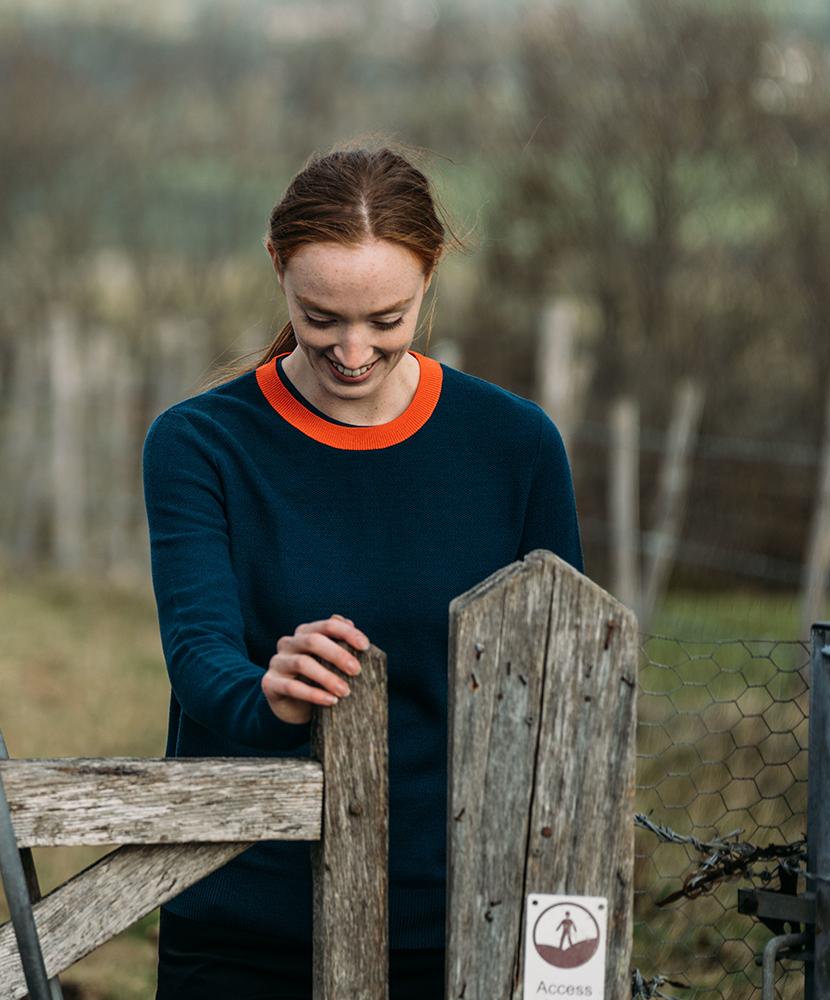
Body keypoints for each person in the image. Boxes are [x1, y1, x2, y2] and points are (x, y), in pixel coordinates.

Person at [142, 143, 585, 1000]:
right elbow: (198, 654)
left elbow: (557, 697)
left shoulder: (516, 447)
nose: (352, 352)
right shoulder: (199, 444)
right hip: (243, 922)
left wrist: (561, 937)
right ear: (277, 268)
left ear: (431, 277)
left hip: (459, 921)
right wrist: (268, 692)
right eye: (321, 318)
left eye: (387, 320)